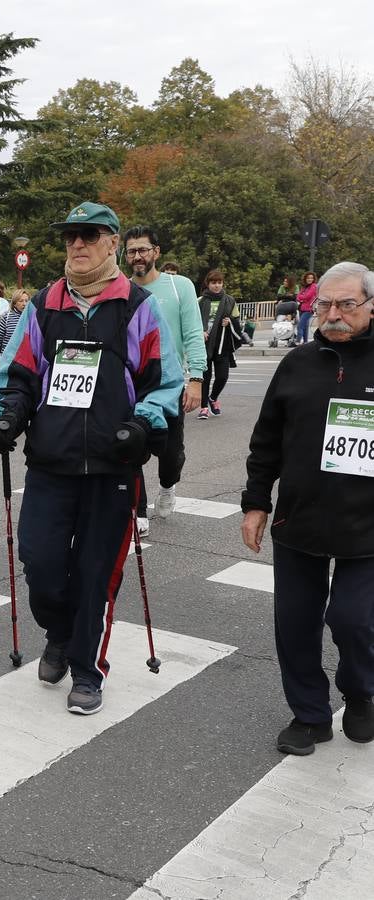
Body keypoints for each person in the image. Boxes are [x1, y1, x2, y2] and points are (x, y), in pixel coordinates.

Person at [0, 201, 182, 716]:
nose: (77, 244)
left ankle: (86, 668)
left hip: (112, 467)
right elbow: (18, 373)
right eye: (71, 236)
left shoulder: (139, 306)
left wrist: (141, 424)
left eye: (89, 235)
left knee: (96, 573)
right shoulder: (44, 304)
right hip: (51, 463)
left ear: (112, 242)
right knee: (42, 562)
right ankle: (58, 630)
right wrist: (8, 412)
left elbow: (165, 382)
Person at [241, 261, 374, 755]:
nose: (333, 314)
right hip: (300, 519)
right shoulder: (296, 362)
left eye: (346, 304)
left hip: (367, 528)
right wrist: (256, 503)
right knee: (294, 624)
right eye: (324, 304)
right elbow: (266, 440)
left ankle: (361, 692)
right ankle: (309, 714)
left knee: (354, 620)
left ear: (370, 306)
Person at [124, 225, 207, 533]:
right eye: (131, 251)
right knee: (130, 445)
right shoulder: (122, 288)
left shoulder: (180, 286)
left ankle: (168, 485)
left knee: (170, 453)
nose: (137, 257)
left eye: (143, 249)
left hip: (169, 384)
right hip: (132, 384)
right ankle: (139, 510)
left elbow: (193, 334)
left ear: (156, 252)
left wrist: (195, 378)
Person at [198, 270, 243, 420]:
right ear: (208, 284)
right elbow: (192, 321)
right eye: (213, 283)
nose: (216, 286)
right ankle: (204, 407)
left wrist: (229, 322)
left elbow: (237, 322)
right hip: (204, 344)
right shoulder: (200, 301)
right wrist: (200, 331)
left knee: (222, 376)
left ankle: (213, 397)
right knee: (204, 377)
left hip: (223, 344)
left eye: (219, 282)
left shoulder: (230, 301)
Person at [0, 289, 28, 362]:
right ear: (14, 303)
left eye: (26, 301)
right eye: (21, 301)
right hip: (7, 361)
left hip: (25, 361)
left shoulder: (32, 318)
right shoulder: (7, 317)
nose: (24, 304)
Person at [297, 270, 318, 344]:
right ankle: (305, 342)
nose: (310, 279)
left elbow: (308, 296)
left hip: (309, 309)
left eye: (311, 278)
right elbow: (298, 297)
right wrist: (303, 298)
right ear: (305, 279)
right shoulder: (304, 287)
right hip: (302, 308)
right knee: (305, 327)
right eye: (308, 278)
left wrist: (302, 298)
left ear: (313, 279)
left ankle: (298, 341)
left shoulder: (314, 286)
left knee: (300, 326)